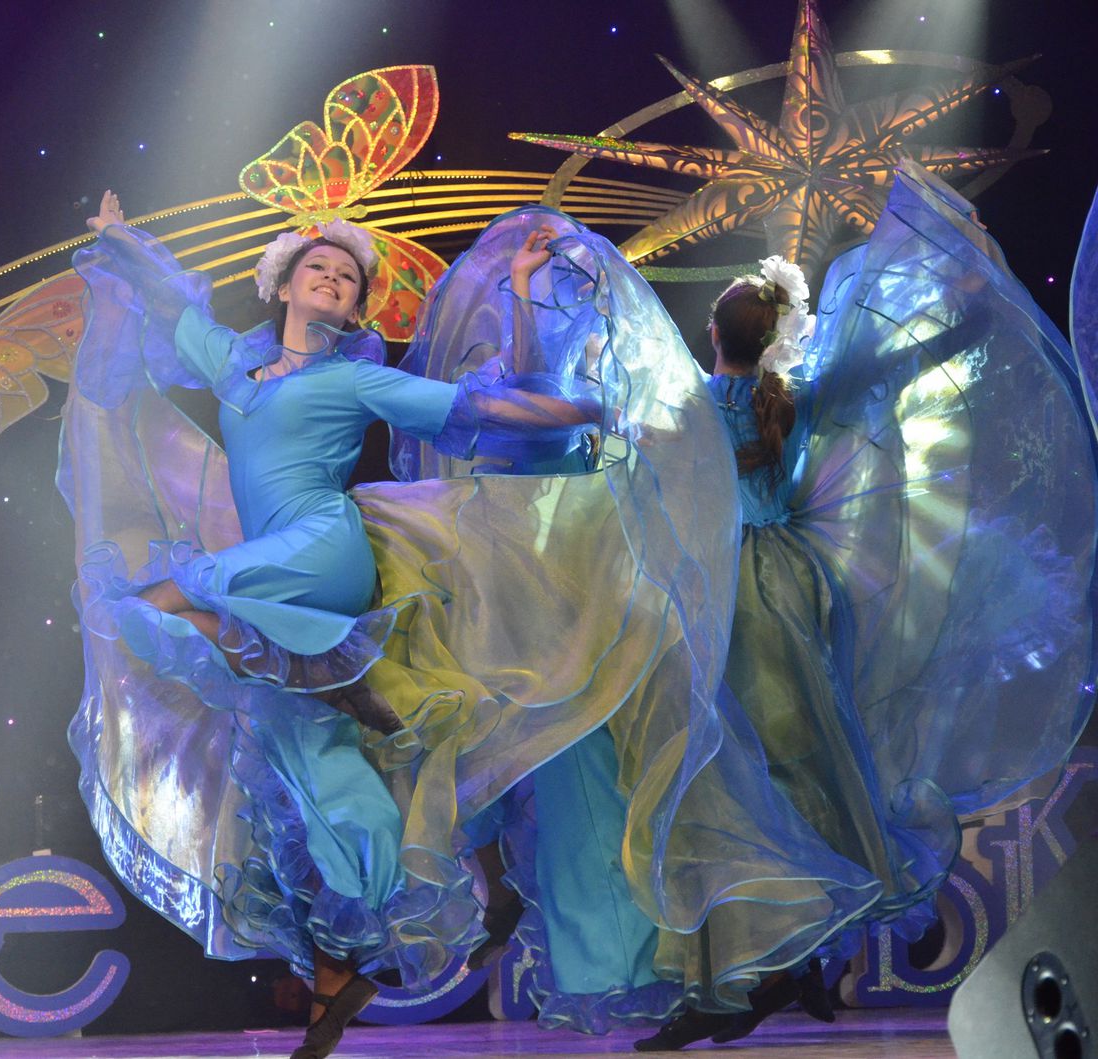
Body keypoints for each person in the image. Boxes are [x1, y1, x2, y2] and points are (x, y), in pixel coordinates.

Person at [418, 166, 1098, 1050]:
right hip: (782, 587)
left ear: (713, 331)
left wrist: (521, 296)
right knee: (795, 770)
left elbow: (534, 400)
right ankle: (778, 962)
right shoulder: (779, 399)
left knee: (733, 777)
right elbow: (911, 356)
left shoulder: (688, 408)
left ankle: (766, 962)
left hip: (729, 597)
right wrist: (966, 276)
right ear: (778, 338)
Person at [63, 192, 746, 1058]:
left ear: (355, 310)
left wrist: (593, 409)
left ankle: (346, 675)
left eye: (348, 279)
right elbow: (172, 304)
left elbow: (484, 410)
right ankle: (338, 964)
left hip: (325, 551)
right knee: (309, 765)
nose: (332, 279)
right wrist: (122, 238)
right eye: (318, 266)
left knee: (154, 598)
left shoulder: (354, 378)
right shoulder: (232, 365)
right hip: (275, 579)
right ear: (282, 286)